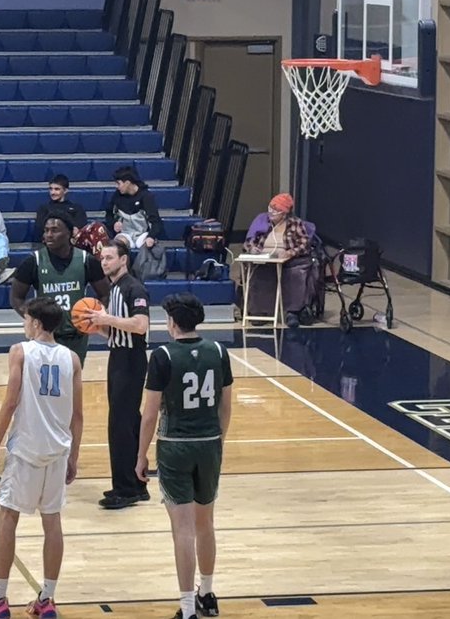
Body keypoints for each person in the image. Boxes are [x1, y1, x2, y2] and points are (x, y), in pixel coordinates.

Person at [0, 297, 84, 619]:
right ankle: (47, 599)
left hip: (25, 450)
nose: (24, 324)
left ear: (35, 323)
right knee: (53, 523)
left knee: (8, 518)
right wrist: (74, 456)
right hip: (58, 450)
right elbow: (78, 416)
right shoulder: (72, 359)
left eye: (26, 319)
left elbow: (9, 402)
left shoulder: (20, 351)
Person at [136, 293, 233, 619]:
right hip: (209, 443)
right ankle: (207, 593)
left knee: (183, 529)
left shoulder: (163, 355)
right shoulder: (219, 351)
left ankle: (188, 608)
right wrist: (218, 439)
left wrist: (140, 456)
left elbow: (149, 414)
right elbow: (225, 404)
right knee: (206, 523)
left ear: (173, 322)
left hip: (174, 443)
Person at [81, 240, 150, 509]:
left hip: (131, 360)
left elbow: (141, 325)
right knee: (130, 422)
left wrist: (105, 319)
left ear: (123, 260)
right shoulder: (115, 288)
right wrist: (95, 326)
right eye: (102, 258)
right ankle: (137, 483)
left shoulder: (134, 287)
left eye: (109, 257)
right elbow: (117, 331)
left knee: (120, 425)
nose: (104, 262)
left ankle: (125, 489)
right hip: (118, 356)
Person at [11, 213, 109, 365]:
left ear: (69, 233)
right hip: (46, 336)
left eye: (55, 230)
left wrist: (95, 317)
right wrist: (32, 319)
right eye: (46, 230)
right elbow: (16, 297)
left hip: (77, 336)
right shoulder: (33, 261)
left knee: (71, 383)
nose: (49, 235)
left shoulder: (86, 260)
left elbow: (105, 293)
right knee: (44, 386)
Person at [242, 192, 315, 329]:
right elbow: (249, 241)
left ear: (284, 213)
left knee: (295, 275)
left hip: (290, 259)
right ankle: (260, 311)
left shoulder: (295, 223)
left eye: (276, 210)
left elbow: (305, 243)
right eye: (270, 208)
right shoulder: (262, 221)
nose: (271, 212)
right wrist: (251, 248)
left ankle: (293, 312)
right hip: (265, 258)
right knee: (259, 274)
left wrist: (289, 253)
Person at [105, 165, 163, 251]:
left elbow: (155, 221)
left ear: (127, 183)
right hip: (125, 233)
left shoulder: (146, 196)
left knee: (148, 245)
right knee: (118, 245)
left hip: (143, 234)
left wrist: (151, 236)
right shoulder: (116, 196)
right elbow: (109, 215)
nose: (117, 186)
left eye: (119, 183)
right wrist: (114, 223)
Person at [33, 174, 88, 242]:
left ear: (65, 191)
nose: (52, 192)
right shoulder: (43, 208)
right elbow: (40, 230)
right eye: (51, 189)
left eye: (57, 189)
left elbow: (80, 230)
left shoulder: (77, 208)